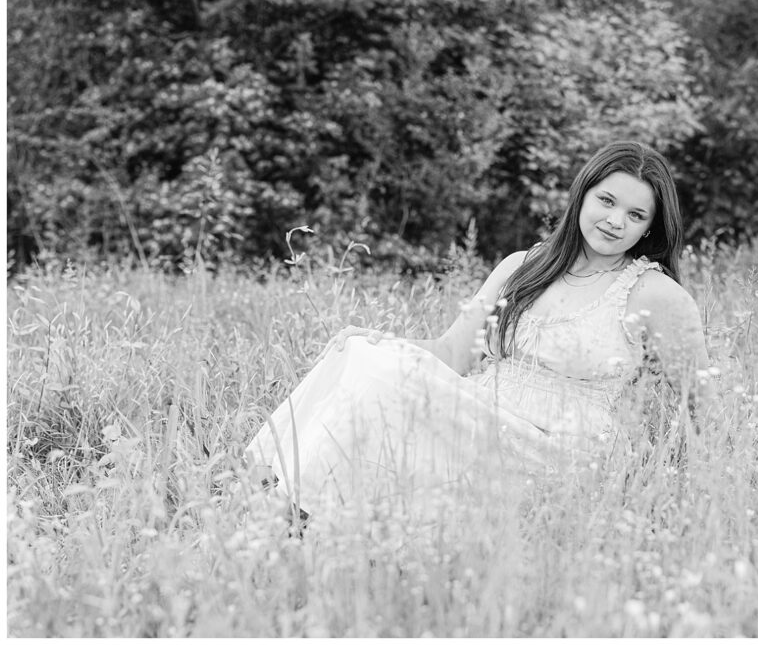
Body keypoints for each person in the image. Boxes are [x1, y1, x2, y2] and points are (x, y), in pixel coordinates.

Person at [245, 141, 711, 522]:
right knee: (363, 357)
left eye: (635, 215)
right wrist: (372, 339)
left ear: (651, 227)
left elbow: (702, 403)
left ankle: (287, 519)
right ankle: (282, 501)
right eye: (606, 201)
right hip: (480, 413)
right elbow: (452, 352)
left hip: (560, 448)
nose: (614, 221)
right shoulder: (523, 267)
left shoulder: (654, 294)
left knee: (376, 376)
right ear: (582, 195)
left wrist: (691, 488)